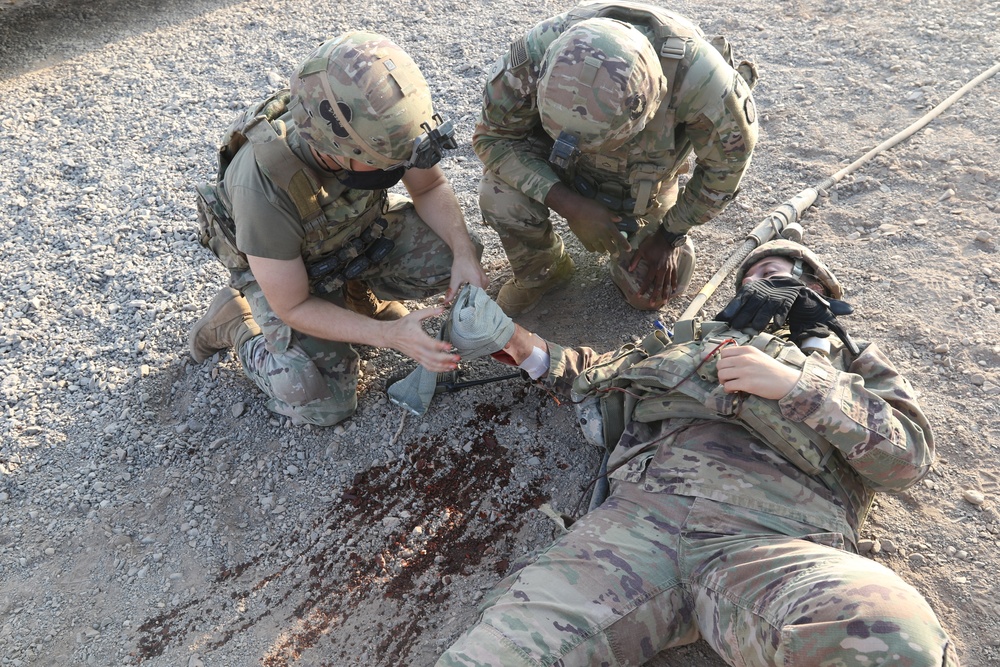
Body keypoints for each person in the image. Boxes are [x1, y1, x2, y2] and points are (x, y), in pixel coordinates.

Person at [437, 240, 958, 666]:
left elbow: (908, 460)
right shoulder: (691, 341)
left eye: (777, 270)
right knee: (492, 654)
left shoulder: (855, 363)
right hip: (634, 527)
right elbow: (594, 374)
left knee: (896, 636)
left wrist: (799, 384)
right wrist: (516, 341)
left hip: (772, 539)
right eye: (751, 275)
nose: (759, 278)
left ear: (816, 286)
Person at [187, 32, 487, 427]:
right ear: (333, 149)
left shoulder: (380, 128)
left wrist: (464, 254)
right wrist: (390, 335)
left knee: (450, 257)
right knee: (321, 399)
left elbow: (430, 186)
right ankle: (234, 324)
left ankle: (356, 294)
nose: (398, 165)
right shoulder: (263, 185)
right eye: (384, 161)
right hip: (292, 278)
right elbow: (291, 305)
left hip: (354, 236)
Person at [474, 1, 758, 315]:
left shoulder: (702, 81)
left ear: (652, 101)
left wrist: (669, 235)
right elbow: (493, 137)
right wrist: (569, 204)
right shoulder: (536, 54)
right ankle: (543, 270)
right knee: (499, 196)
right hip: (561, 169)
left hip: (644, 185)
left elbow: (725, 171)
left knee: (647, 291)